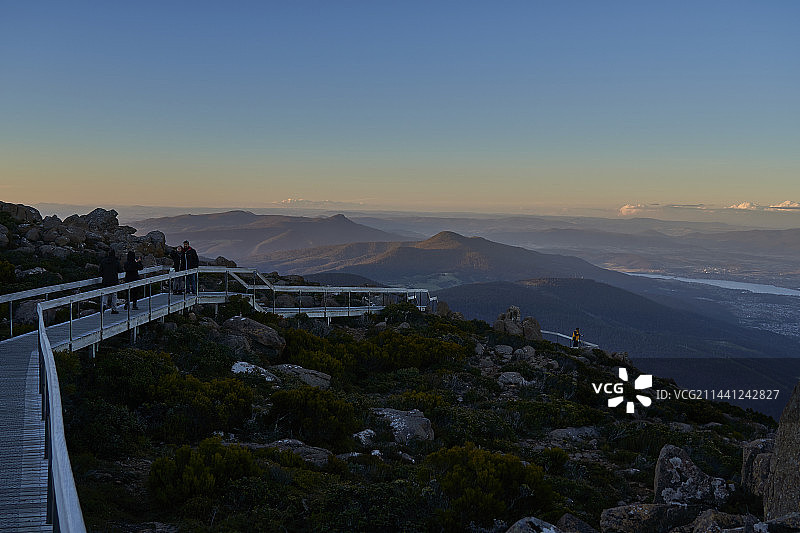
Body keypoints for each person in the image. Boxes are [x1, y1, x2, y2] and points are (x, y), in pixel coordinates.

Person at [99, 249, 122, 314]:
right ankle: (114, 309)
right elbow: (120, 270)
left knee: (105, 294)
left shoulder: (103, 261)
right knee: (114, 295)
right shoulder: (116, 261)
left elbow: (100, 271)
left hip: (105, 280)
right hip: (114, 280)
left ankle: (104, 305)